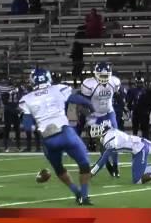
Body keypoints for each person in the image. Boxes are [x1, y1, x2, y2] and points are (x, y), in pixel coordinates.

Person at [20, 68, 95, 205]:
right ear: (48, 78)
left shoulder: (27, 99)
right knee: (84, 164)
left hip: (49, 139)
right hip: (66, 133)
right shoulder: (59, 89)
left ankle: (76, 192)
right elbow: (77, 99)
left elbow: (27, 126)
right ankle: (84, 196)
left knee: (59, 168)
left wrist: (34, 128)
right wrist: (90, 106)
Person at [90, 121, 151, 185]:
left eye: (97, 138)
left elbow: (104, 159)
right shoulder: (111, 132)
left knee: (137, 180)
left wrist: (92, 173)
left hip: (140, 149)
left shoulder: (108, 139)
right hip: (138, 147)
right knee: (142, 170)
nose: (97, 141)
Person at [80, 62, 123, 177]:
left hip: (109, 113)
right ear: (96, 74)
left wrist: (124, 107)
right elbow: (82, 104)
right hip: (96, 115)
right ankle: (107, 164)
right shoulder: (89, 85)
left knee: (114, 141)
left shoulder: (114, 82)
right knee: (102, 143)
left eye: (106, 75)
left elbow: (119, 96)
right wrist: (88, 117)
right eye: (101, 75)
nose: (104, 78)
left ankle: (115, 166)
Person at [1, 82, 23, 152]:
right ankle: (6, 147)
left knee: (17, 129)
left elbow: (21, 99)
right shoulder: (6, 91)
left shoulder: (19, 90)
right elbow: (4, 101)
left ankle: (18, 146)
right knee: (7, 128)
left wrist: (18, 108)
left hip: (15, 110)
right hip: (9, 110)